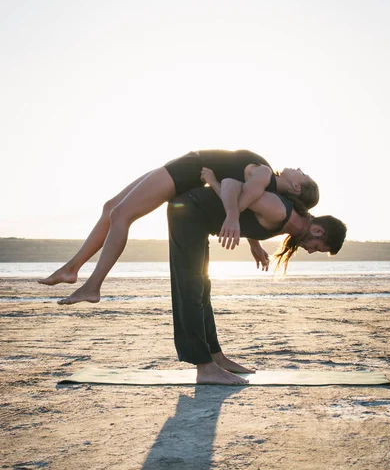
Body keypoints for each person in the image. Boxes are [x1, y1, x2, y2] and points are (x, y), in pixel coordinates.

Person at [38, 149, 319, 304]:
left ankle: (93, 285)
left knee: (121, 214)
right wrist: (254, 243)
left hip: (189, 170)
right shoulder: (266, 183)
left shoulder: (266, 174)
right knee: (111, 207)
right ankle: (72, 269)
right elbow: (246, 204)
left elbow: (236, 200)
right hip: (189, 166)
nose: (298, 167)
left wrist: (234, 217)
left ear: (297, 186)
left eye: (303, 174)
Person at [166, 180, 347, 385]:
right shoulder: (282, 213)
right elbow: (239, 192)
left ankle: (216, 357)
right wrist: (229, 210)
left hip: (199, 217)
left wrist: (254, 243)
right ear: (318, 231)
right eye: (317, 247)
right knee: (190, 289)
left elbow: (249, 211)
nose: (311, 250)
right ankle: (204, 367)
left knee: (202, 289)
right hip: (189, 209)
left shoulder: (292, 221)